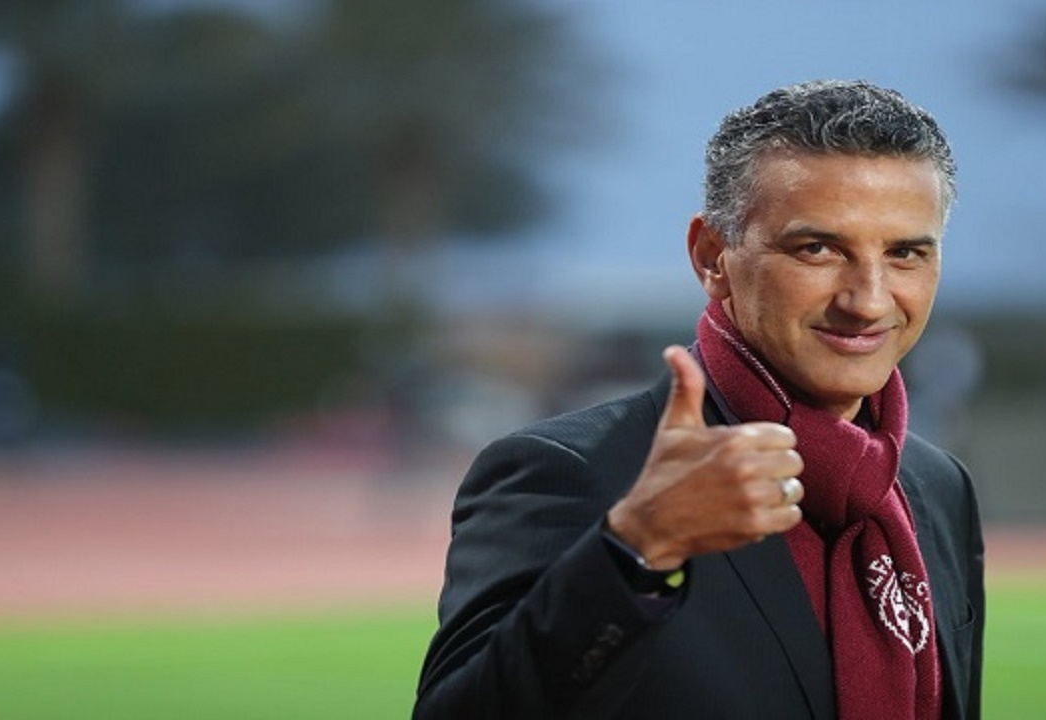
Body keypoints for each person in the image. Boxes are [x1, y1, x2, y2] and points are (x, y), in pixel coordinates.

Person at [415, 79, 984, 720]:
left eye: (905, 253)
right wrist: (637, 547)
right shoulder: (579, 471)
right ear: (712, 256)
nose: (869, 300)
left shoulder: (938, 487)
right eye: (818, 249)